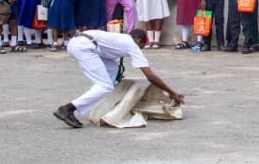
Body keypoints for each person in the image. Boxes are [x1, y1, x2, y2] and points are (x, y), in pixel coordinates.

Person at [54, 28, 184, 129]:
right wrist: (172, 93)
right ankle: (68, 109)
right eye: (143, 45)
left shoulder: (121, 38)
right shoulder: (132, 44)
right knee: (104, 86)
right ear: (139, 40)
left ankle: (105, 107)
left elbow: (109, 59)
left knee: (112, 70)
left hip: (78, 43)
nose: (141, 49)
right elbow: (149, 75)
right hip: (84, 47)